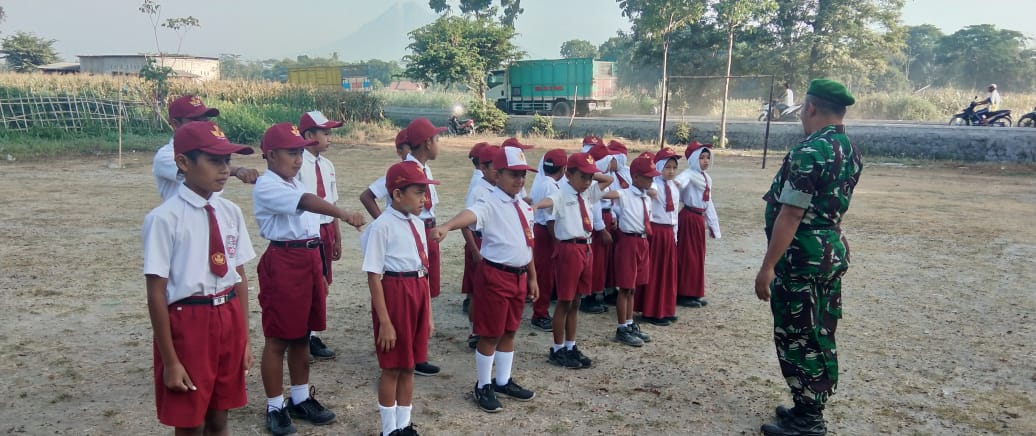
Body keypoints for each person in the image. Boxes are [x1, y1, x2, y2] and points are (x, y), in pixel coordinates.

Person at [755, 79, 863, 436]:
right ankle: (806, 405)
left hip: (801, 259)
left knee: (798, 334)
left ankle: (809, 420)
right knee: (820, 330)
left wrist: (768, 267)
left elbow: (791, 213)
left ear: (811, 108)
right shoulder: (848, 148)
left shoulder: (810, 151)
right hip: (828, 253)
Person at [253, 122, 367, 436]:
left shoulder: (292, 182)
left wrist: (321, 266)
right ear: (271, 155)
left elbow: (309, 213)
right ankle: (275, 406)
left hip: (308, 257)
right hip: (284, 260)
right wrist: (343, 213)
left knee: (303, 333)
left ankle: (301, 398)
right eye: (291, 153)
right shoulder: (268, 185)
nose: (297, 159)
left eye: (300, 153)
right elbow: (305, 202)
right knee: (278, 339)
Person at [143, 121, 256, 435]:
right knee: (191, 421)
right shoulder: (163, 219)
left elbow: (239, 276)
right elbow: (156, 292)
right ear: (183, 162)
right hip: (188, 323)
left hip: (228, 315)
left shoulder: (230, 212)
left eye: (227, 161)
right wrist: (171, 361)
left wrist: (244, 339)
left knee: (220, 417)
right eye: (213, 160)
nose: (224, 169)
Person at [430, 145, 539, 413]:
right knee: (490, 333)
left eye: (522, 174)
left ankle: (503, 380)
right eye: (513, 174)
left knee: (510, 330)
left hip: (519, 275)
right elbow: (471, 215)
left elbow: (527, 244)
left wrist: (532, 277)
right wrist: (447, 226)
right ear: (497, 174)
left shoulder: (523, 206)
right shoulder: (490, 201)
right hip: (496, 275)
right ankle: (483, 384)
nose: (519, 180)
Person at [358, 118, 445, 378]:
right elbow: (367, 195)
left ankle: (418, 353)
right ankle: (410, 356)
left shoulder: (425, 170)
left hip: (422, 230)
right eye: (436, 139)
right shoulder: (405, 169)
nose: (439, 143)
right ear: (427, 142)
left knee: (424, 285)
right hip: (406, 231)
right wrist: (386, 224)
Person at [360, 161, 440, 436]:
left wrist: (428, 314)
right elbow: (374, 275)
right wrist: (385, 322)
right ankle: (388, 429)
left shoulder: (417, 223)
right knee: (392, 367)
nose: (424, 199)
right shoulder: (382, 226)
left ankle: (404, 425)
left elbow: (424, 270)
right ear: (396, 194)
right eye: (418, 193)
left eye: (424, 192)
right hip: (395, 293)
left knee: (409, 366)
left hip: (417, 292)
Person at [534, 152, 616, 369]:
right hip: (569, 249)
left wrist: (589, 173)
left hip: (586, 247)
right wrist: (535, 206)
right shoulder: (561, 193)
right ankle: (557, 348)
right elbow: (549, 202)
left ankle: (571, 345)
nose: (588, 181)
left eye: (590, 177)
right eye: (583, 176)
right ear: (568, 174)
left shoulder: (587, 193)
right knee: (565, 301)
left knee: (577, 300)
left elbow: (608, 179)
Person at [297, 110, 344, 362]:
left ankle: (312, 333)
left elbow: (331, 202)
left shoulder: (327, 165)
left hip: (326, 229)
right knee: (310, 283)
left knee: (324, 281)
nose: (329, 137)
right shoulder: (297, 164)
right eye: (325, 133)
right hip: (307, 231)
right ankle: (303, 334)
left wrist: (337, 235)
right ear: (308, 135)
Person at [153, 95, 258, 201]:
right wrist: (237, 171)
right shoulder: (164, 156)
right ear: (175, 124)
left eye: (205, 120)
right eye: (195, 120)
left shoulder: (209, 150)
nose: (202, 125)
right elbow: (201, 168)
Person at [610, 152, 659, 347]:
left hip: (642, 241)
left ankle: (630, 323)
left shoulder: (646, 198)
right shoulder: (624, 194)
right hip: (628, 242)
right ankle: (621, 327)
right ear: (636, 177)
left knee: (633, 288)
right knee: (624, 287)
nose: (652, 180)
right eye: (648, 177)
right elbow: (608, 195)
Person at [461, 145, 501, 350]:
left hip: (492, 242)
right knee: (477, 291)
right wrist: (475, 251)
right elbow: (465, 224)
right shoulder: (478, 190)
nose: (499, 171)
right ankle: (474, 331)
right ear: (483, 168)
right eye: (495, 167)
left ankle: (487, 328)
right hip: (477, 242)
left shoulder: (499, 188)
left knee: (490, 290)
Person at [674, 141, 721, 308]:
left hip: (699, 220)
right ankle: (683, 293)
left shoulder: (706, 178)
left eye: (708, 157)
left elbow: (708, 202)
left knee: (698, 256)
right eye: (702, 158)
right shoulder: (688, 174)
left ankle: (694, 291)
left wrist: (713, 225)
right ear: (694, 159)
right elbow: (678, 182)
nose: (706, 161)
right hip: (689, 218)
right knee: (688, 256)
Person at [639, 146, 681, 326]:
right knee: (656, 272)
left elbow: (675, 215)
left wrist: (675, 235)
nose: (671, 171)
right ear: (659, 167)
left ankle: (665, 308)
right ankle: (651, 310)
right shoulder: (655, 184)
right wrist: (651, 188)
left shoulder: (674, 187)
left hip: (669, 233)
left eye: (674, 167)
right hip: (656, 232)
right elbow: (650, 189)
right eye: (667, 167)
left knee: (667, 273)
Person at [529, 149, 568, 332]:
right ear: (563, 169)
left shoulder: (541, 182)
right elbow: (550, 219)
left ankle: (540, 310)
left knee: (543, 273)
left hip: (540, 230)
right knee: (544, 275)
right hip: (546, 232)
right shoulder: (551, 186)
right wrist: (557, 242)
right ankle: (540, 314)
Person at [460, 142, 490, 316]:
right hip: (476, 237)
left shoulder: (483, 180)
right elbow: (466, 221)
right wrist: (474, 249)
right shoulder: (479, 184)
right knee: (477, 285)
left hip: (481, 237)